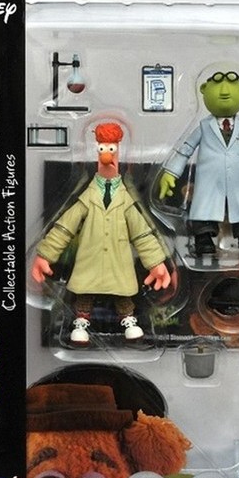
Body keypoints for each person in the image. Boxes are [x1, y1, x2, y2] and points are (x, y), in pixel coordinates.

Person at [31, 122, 171, 345]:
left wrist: (156, 263)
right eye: (102, 149)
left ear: (118, 151)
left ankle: (129, 320)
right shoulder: (87, 196)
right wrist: (45, 255)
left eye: (111, 149)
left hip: (118, 258)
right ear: (97, 151)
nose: (107, 155)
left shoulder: (125, 198)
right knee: (84, 292)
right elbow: (65, 226)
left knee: (122, 292)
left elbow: (142, 233)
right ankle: (80, 322)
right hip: (90, 257)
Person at [158, 68, 239, 255]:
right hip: (209, 180)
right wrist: (171, 172)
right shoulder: (204, 127)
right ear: (203, 90)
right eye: (217, 85)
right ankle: (203, 238)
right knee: (205, 210)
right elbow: (185, 150)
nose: (223, 91)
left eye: (230, 85)